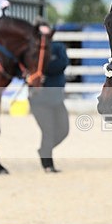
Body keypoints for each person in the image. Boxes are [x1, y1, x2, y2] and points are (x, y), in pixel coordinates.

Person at [29, 28, 69, 173]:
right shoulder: (31, 50)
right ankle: (48, 165)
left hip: (56, 98)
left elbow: (62, 64)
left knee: (64, 130)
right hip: (39, 99)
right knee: (48, 131)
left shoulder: (58, 47)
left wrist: (42, 69)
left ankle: (44, 151)